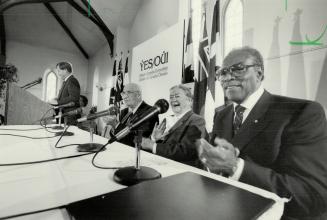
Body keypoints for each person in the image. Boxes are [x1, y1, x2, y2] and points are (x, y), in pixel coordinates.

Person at [196, 46, 327, 220]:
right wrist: (210, 161)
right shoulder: (222, 115)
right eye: (222, 72)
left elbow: (311, 195)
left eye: (238, 69)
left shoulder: (301, 112)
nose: (227, 77)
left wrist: (236, 167)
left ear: (259, 74)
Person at [141, 84, 208, 167]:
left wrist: (153, 145)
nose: (173, 99)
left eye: (177, 96)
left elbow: (187, 151)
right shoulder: (166, 120)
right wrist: (154, 139)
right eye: (171, 97)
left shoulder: (196, 120)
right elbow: (164, 146)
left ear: (189, 100)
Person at [112, 83, 158, 147]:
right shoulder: (123, 112)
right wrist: (113, 126)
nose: (125, 96)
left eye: (129, 92)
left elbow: (138, 140)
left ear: (138, 95)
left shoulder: (150, 112)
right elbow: (115, 136)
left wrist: (116, 124)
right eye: (123, 93)